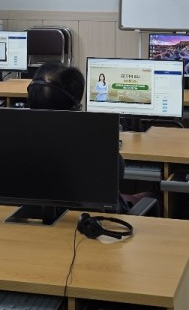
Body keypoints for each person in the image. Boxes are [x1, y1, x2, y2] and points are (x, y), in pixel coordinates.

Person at [27, 62, 155, 215]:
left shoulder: (13, 139)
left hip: (33, 222)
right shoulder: (96, 144)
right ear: (75, 108)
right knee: (151, 195)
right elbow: (117, 175)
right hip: (89, 224)